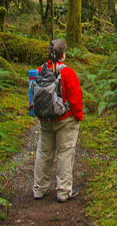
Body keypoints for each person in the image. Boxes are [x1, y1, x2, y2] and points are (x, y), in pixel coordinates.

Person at [33, 38, 83, 203]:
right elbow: (75, 97)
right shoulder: (68, 72)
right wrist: (78, 117)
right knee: (65, 153)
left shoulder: (40, 70)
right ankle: (63, 191)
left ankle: (39, 189)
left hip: (45, 119)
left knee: (44, 152)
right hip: (65, 120)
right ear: (63, 55)